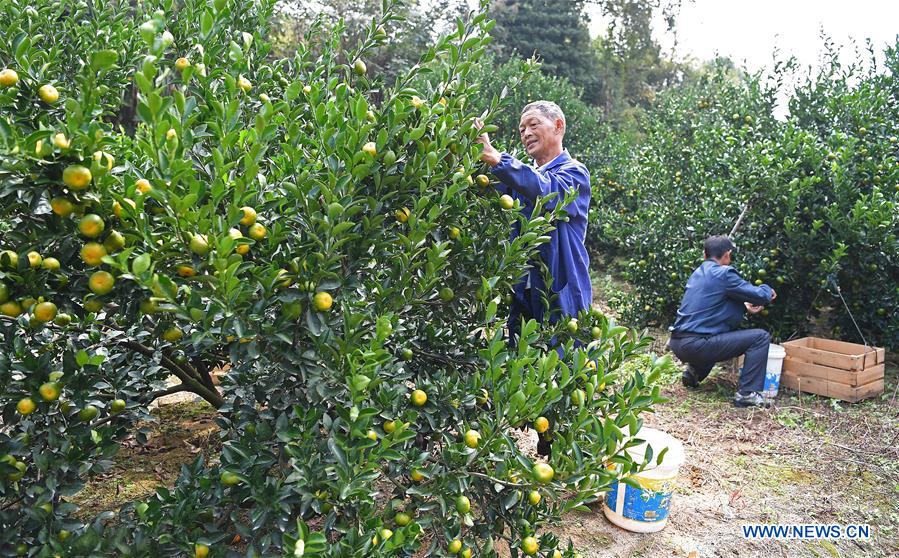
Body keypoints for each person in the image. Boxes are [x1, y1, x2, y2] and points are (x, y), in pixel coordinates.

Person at [475, 101, 592, 341]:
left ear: (558, 126)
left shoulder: (574, 173)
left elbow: (546, 191)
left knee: (563, 364)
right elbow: (487, 186)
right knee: (522, 362)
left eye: (533, 125)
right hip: (522, 289)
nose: (526, 133)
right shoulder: (520, 177)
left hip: (561, 288)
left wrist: (499, 159)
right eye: (521, 130)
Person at [668, 236, 777, 407]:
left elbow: (710, 310)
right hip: (697, 345)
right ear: (727, 255)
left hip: (678, 343)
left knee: (715, 334)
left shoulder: (697, 273)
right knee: (760, 337)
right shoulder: (724, 273)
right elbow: (759, 295)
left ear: (704, 254)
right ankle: (747, 394)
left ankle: (694, 373)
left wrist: (744, 308)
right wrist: (767, 289)